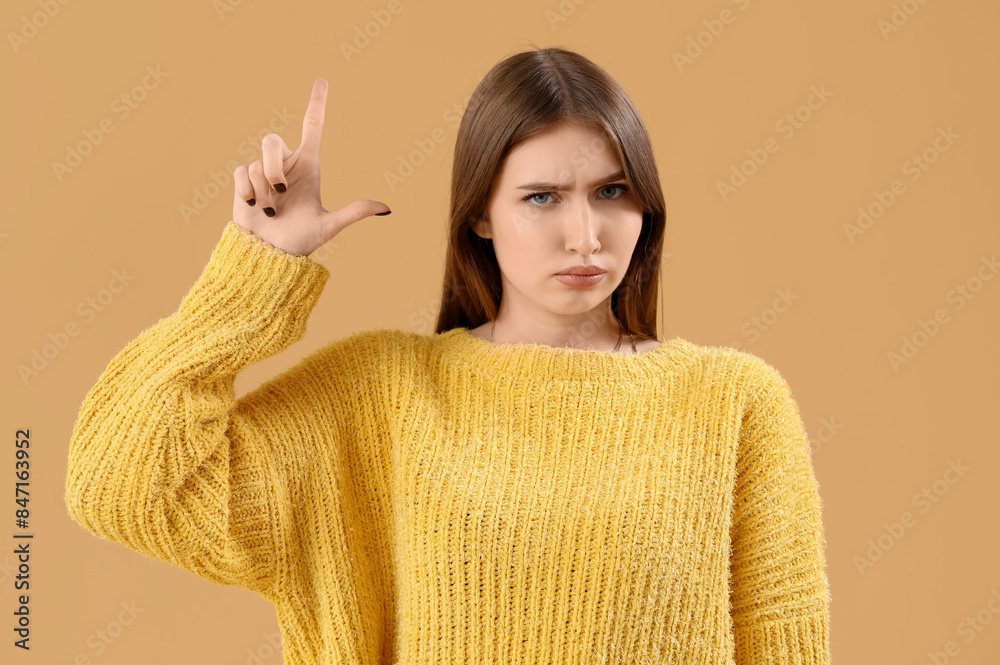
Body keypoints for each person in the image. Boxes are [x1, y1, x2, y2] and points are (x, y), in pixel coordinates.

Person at [64, 46, 832, 664]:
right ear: (482, 217)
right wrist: (251, 277)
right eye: (541, 197)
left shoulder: (735, 400)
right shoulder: (384, 393)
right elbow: (119, 483)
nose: (586, 235)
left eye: (611, 191)